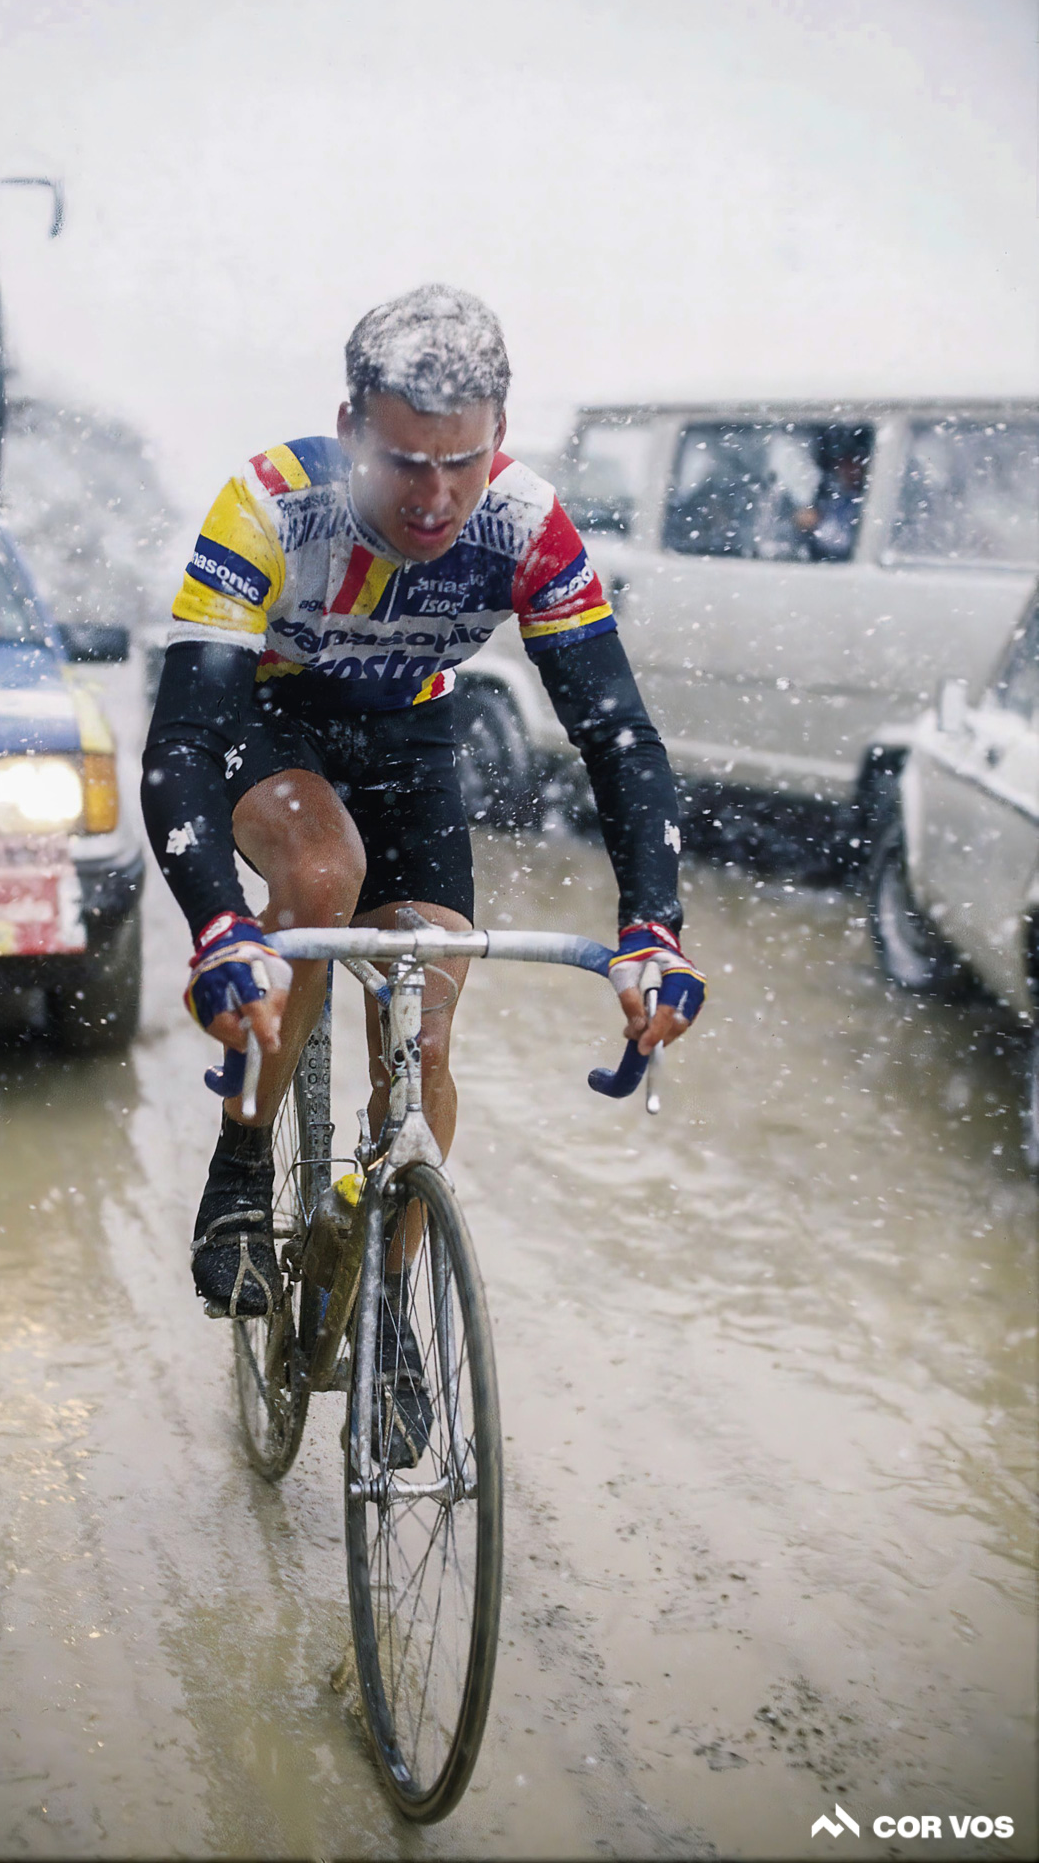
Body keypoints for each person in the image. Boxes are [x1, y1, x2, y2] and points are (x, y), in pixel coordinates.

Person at [142, 285, 705, 1445]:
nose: (437, 497)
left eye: (463, 463)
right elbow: (183, 741)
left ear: (499, 436)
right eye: (404, 463)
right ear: (349, 425)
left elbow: (614, 734)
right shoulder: (270, 504)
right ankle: (243, 1164)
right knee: (316, 877)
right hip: (272, 721)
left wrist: (652, 926)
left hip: (408, 735)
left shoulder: (525, 526)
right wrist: (216, 928)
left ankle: (391, 1304)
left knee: (424, 1006)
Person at [793, 426, 871, 561]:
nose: (848, 469)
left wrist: (817, 524)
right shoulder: (829, 495)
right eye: (843, 463)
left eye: (854, 463)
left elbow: (844, 541)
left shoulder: (866, 499)